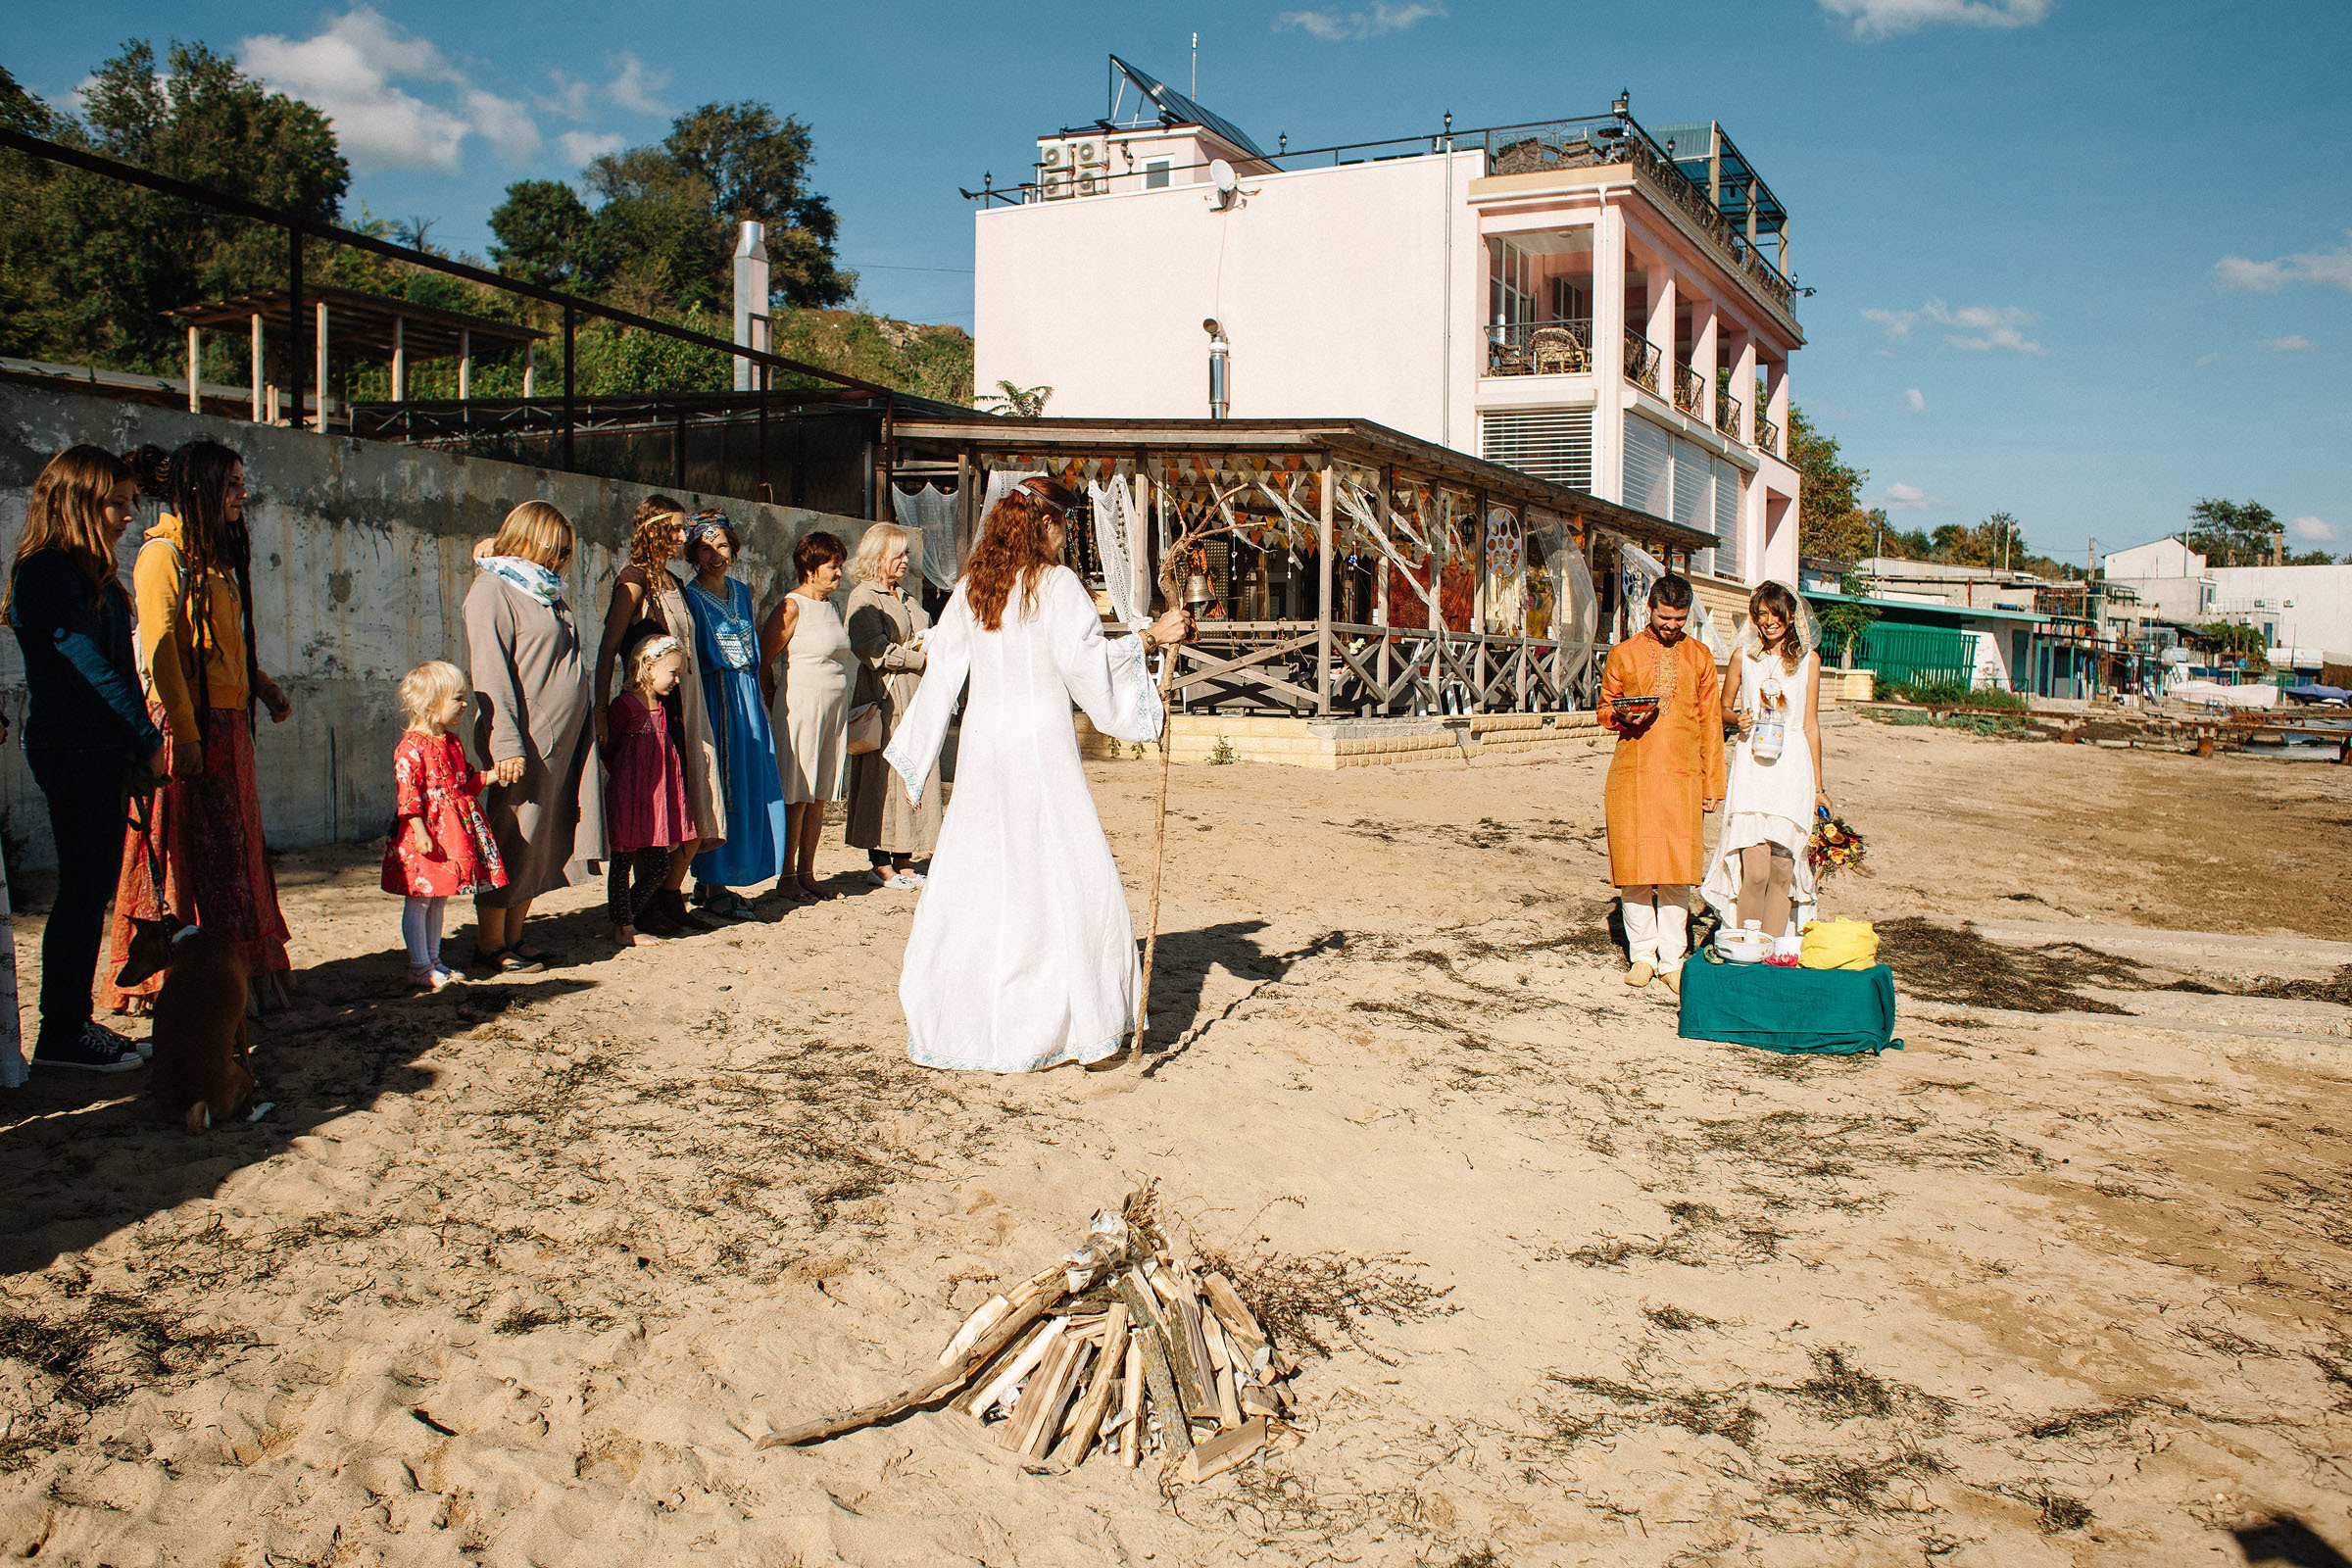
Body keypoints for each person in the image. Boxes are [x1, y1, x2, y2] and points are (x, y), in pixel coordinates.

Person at [883, 477, 1193, 1072]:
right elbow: (1085, 663)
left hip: (984, 746)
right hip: (1040, 743)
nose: (1064, 538)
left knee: (985, 869)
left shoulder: (974, 588)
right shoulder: (1056, 585)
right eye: (1063, 526)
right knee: (1066, 868)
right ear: (1046, 524)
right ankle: (1082, 1026)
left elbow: (942, 672)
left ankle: (973, 1018)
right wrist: (1150, 637)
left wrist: (917, 760)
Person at [101, 440, 295, 1016]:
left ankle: (237, 977)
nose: (242, 494)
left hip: (227, 725)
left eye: (241, 482)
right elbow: (163, 650)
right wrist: (185, 733)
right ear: (200, 489)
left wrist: (261, 685)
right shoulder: (163, 557)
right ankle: (162, 982)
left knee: (233, 853)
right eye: (231, 484)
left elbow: (220, 645)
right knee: (174, 853)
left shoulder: (215, 559)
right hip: (187, 727)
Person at [4, 446, 170, 1072]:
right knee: (83, 889)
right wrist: (146, 737)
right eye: (117, 504)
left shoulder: (76, 570)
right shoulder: (48, 571)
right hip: (77, 747)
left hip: (96, 746)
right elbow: (90, 668)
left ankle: (69, 1024)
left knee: (89, 888)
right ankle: (62, 1032)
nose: (128, 516)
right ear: (78, 502)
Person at [465, 501, 605, 973]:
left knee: (541, 836)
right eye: (554, 547)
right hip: (526, 742)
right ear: (528, 538)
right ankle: (490, 943)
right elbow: (490, 672)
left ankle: (515, 936)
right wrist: (505, 743)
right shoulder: (493, 589)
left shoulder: (542, 590)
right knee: (513, 834)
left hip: (564, 743)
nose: (560, 559)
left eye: (565, 551)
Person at [593, 497, 723, 935]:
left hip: (684, 708)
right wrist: (600, 710)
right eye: (675, 528)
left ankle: (667, 899)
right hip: (649, 714)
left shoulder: (673, 581)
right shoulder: (633, 582)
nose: (683, 536)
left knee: (689, 807)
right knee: (650, 813)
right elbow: (608, 648)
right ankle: (642, 909)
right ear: (653, 530)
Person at [1597, 572, 1725, 995]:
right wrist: (1623, 715)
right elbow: (1604, 709)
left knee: (1676, 872)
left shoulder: (1700, 657)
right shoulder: (1624, 654)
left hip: (1683, 777)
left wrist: (1712, 785)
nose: (1671, 626)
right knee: (1634, 868)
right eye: (1664, 617)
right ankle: (1642, 957)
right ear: (1648, 609)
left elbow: (1711, 725)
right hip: (1634, 774)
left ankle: (1672, 959)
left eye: (1679, 619)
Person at [1701, 581, 1831, 962]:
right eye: (1762, 614)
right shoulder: (1744, 657)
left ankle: (1772, 957)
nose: (1769, 621)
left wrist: (1818, 787)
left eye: (1777, 614)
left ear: (1791, 616)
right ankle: (1744, 951)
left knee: (1782, 871)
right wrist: (1736, 719)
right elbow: (1721, 709)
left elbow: (1810, 725)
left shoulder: (1809, 662)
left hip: (1792, 772)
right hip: (1753, 768)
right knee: (1755, 871)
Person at [678, 512, 786, 915]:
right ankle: (714, 883)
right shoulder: (690, 596)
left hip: (748, 697)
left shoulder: (741, 591)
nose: (715, 555)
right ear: (694, 554)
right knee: (722, 785)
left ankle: (717, 882)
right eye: (706, 548)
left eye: (722, 545)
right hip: (716, 698)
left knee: (748, 780)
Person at [382, 661, 506, 993]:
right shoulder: (410, 747)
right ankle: (419, 966)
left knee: (438, 898)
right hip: (425, 834)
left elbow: (464, 781)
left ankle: (433, 960)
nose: (464, 705)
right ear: (431, 701)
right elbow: (408, 797)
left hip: (450, 833)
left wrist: (495, 775)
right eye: (457, 698)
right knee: (420, 898)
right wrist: (420, 832)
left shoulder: (451, 741)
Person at [843, 522, 940, 888]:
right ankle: (880, 861)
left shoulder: (907, 597)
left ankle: (905, 858)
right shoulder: (865, 597)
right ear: (877, 556)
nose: (904, 561)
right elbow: (871, 648)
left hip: (916, 695)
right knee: (883, 776)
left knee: (914, 771)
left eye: (906, 554)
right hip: (885, 695)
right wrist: (919, 660)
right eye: (897, 554)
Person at [760, 530, 854, 902]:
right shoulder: (792, 605)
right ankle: (787, 876)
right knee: (798, 793)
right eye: (832, 566)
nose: (838, 573)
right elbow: (763, 657)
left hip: (832, 710)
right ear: (810, 569)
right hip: (800, 707)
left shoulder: (830, 606)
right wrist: (771, 697)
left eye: (839, 566)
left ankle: (807, 873)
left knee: (819, 795)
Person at [604, 627, 694, 946]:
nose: (676, 680)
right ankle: (623, 928)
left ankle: (623, 914)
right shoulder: (625, 706)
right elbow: (609, 748)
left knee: (658, 867)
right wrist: (626, 780)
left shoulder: (662, 709)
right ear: (649, 667)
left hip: (655, 801)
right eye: (673, 673)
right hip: (629, 798)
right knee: (622, 863)